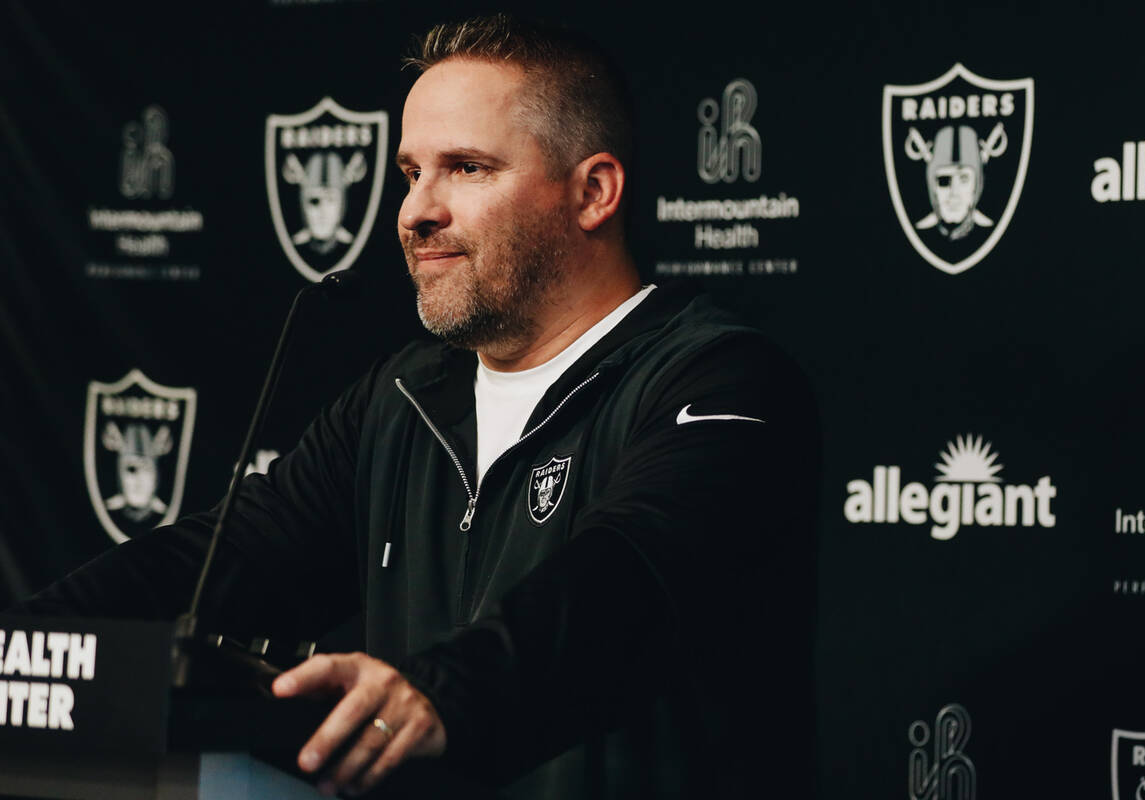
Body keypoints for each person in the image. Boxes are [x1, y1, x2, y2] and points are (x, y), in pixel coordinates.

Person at [17, 14, 817, 799]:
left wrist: (443, 693)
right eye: (410, 172)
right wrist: (22, 644)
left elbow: (629, 581)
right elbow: (216, 565)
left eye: (466, 168)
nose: (414, 212)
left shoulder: (721, 382)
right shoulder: (402, 399)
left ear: (595, 191)